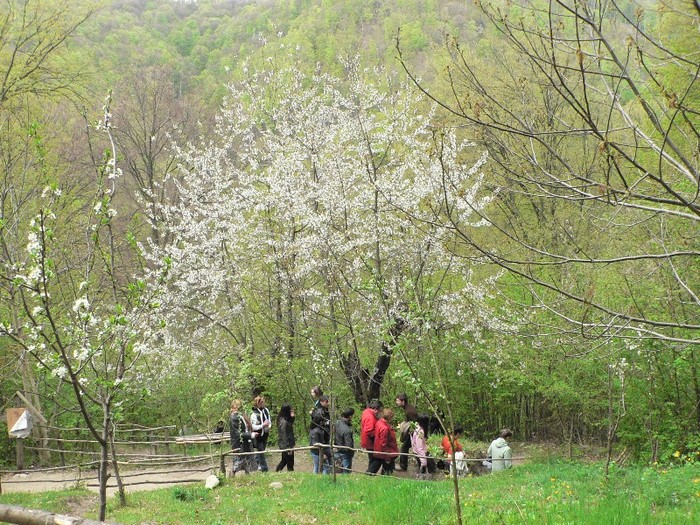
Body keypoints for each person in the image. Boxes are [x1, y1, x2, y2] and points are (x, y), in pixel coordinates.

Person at [368, 408, 399, 475]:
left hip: (378, 450)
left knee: (375, 466)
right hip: (386, 452)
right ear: (389, 417)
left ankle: (368, 476)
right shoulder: (384, 428)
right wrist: (387, 455)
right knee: (387, 470)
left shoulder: (379, 422)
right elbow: (383, 443)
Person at [229, 399, 255, 474]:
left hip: (244, 442)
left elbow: (245, 428)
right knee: (238, 462)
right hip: (239, 443)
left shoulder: (240, 416)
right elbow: (238, 433)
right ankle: (232, 474)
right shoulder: (234, 418)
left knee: (246, 460)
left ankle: (248, 474)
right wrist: (250, 435)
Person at [395, 393, 418, 472]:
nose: (396, 402)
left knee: (410, 448)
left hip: (414, 432)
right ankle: (430, 466)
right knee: (416, 449)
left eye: (398, 401)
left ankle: (403, 466)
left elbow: (414, 424)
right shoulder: (407, 408)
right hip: (412, 431)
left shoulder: (409, 412)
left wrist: (408, 434)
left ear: (403, 402)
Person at [250, 395, 272, 472]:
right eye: (262, 402)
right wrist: (263, 425)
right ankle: (264, 469)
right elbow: (254, 427)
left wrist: (269, 426)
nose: (264, 403)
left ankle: (255, 463)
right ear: (258, 404)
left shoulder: (266, 410)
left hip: (265, 434)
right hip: (258, 436)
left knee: (261, 450)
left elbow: (268, 420)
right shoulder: (254, 414)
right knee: (261, 452)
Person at [361, 399, 382, 471]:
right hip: (370, 442)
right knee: (375, 459)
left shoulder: (366, 412)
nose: (379, 412)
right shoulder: (370, 417)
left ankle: (369, 474)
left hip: (367, 441)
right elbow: (369, 431)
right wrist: (378, 435)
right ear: (376, 409)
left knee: (372, 459)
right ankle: (369, 474)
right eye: (379, 410)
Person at [309, 408, 332, 473]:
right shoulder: (316, 431)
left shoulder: (318, 428)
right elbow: (316, 444)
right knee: (325, 468)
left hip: (318, 451)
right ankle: (323, 480)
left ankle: (316, 479)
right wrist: (322, 454)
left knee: (317, 466)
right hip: (317, 452)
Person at [275, 403, 295, 472]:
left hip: (288, 444)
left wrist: (292, 417)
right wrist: (288, 447)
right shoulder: (283, 421)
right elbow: (283, 435)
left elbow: (290, 423)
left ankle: (277, 471)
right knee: (289, 461)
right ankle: (280, 472)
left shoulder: (286, 419)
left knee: (285, 460)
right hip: (286, 445)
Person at [334, 408, 355, 474]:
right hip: (345, 453)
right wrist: (352, 451)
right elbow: (349, 446)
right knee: (346, 471)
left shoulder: (337, 423)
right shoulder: (347, 430)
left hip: (337, 449)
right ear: (350, 416)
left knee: (338, 470)